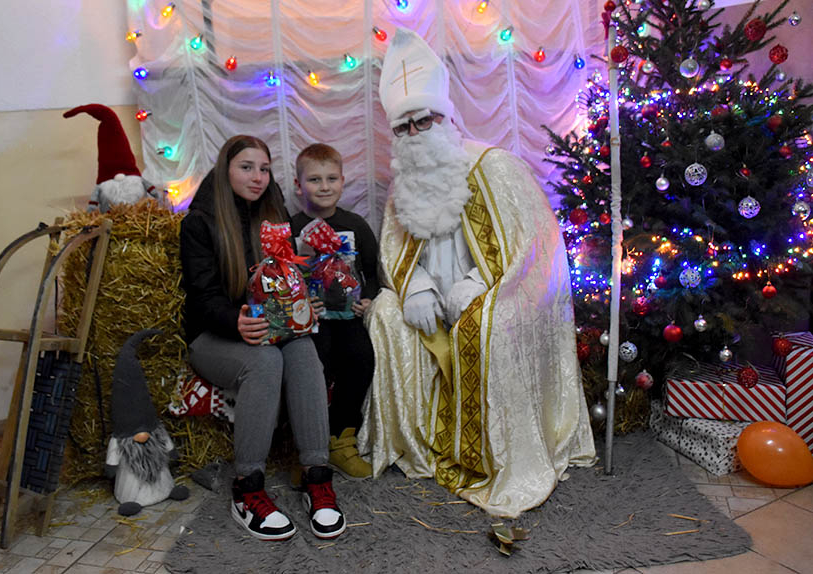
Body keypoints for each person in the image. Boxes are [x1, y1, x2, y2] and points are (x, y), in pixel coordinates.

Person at [357, 28, 597, 518]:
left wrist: (476, 287)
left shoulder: (495, 166)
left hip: (495, 296)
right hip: (432, 305)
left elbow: (536, 250)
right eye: (404, 127)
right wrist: (416, 287)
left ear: (446, 117)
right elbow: (395, 251)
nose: (415, 134)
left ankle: (492, 454)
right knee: (384, 311)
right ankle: (419, 444)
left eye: (425, 121)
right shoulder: (404, 185)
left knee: (486, 325)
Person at [179, 135, 345, 541]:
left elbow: (282, 284)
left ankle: (316, 476)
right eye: (246, 167)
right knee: (265, 362)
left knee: (303, 349)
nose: (257, 177)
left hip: (269, 326)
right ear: (225, 170)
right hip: (215, 335)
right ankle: (247, 487)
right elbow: (202, 300)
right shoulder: (199, 222)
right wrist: (234, 320)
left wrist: (304, 302)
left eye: (264, 169)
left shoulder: (275, 218)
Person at [290, 143, 379, 479]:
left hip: (348, 318)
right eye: (314, 179)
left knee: (360, 356)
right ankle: (307, 447)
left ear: (343, 182)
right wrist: (299, 301)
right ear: (299, 186)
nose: (324, 186)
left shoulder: (356, 225)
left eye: (331, 178)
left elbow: (373, 273)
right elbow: (281, 276)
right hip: (309, 322)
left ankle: (343, 439)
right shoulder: (291, 228)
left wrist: (368, 299)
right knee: (312, 363)